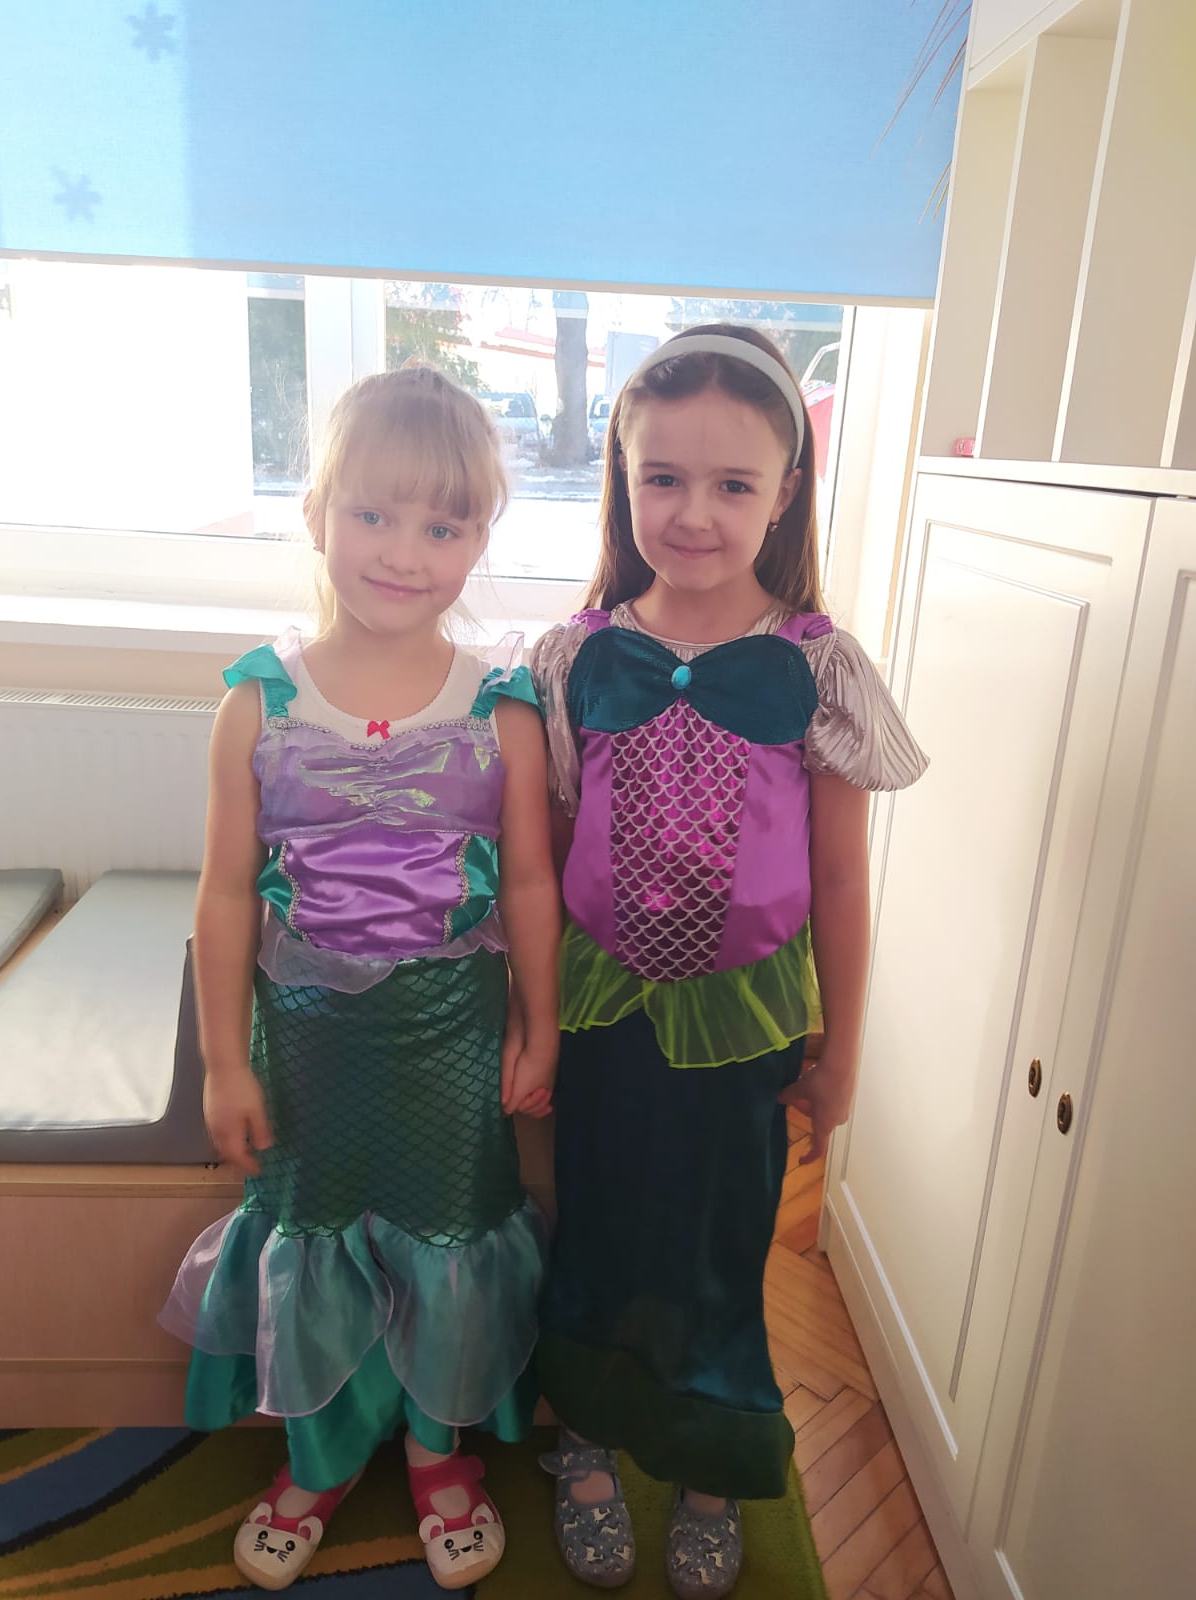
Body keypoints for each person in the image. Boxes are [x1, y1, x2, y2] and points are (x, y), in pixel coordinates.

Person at [530, 326, 928, 1596]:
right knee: (597, 1222)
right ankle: (585, 1436)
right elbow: (549, 852)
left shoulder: (816, 667)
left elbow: (842, 881)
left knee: (719, 1241)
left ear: (785, 490)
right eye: (663, 477)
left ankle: (712, 1462)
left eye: (732, 483)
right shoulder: (575, 655)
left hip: (747, 1022)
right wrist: (532, 1021)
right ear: (622, 476)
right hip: (601, 1008)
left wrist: (842, 1051)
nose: (693, 512)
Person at [160, 366, 559, 1592]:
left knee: (450, 1240)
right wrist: (223, 1061)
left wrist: (542, 1028)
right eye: (374, 513)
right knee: (317, 1239)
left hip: (452, 1046)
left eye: (444, 525)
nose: (404, 551)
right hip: (305, 1046)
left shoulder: (502, 708)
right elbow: (225, 893)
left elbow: (530, 884)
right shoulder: (257, 702)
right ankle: (322, 1454)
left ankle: (441, 1452)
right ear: (316, 512)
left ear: (480, 538)